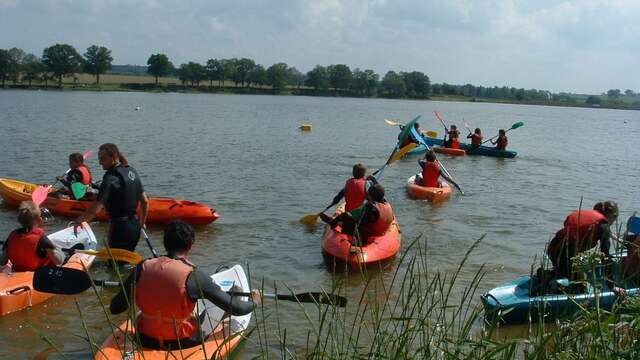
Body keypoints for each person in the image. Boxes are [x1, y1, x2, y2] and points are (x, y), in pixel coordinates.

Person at [109, 220, 260, 350]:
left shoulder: (142, 267)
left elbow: (115, 308)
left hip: (145, 339)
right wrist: (255, 301)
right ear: (190, 246)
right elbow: (238, 309)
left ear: (165, 243)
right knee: (234, 292)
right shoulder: (194, 276)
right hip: (182, 344)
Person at [73, 143, 149, 251]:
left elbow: (95, 210)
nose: (100, 162)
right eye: (99, 159)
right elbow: (145, 201)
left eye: (103, 159)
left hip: (120, 228)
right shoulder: (132, 171)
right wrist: (142, 223)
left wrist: (78, 221)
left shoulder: (110, 178)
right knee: (127, 261)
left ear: (113, 157)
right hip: (135, 226)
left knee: (114, 264)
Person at [546, 201, 618, 279]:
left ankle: (551, 274)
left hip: (553, 248)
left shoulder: (590, 216)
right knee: (580, 281)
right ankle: (553, 278)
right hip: (566, 254)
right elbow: (605, 256)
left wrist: (610, 235)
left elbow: (579, 229)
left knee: (564, 271)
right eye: (615, 219)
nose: (614, 222)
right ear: (612, 216)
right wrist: (611, 284)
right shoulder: (603, 226)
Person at [319, 184, 394, 245]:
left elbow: (353, 215)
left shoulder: (370, 207)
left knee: (345, 216)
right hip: (381, 231)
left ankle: (332, 222)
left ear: (370, 196)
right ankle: (337, 222)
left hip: (368, 233)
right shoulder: (387, 205)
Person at [0, 201, 64, 272]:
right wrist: (57, 248)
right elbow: (58, 261)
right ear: (40, 220)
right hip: (36, 274)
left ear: (19, 220)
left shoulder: (12, 235)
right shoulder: (40, 237)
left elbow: (3, 261)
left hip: (17, 272)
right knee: (59, 253)